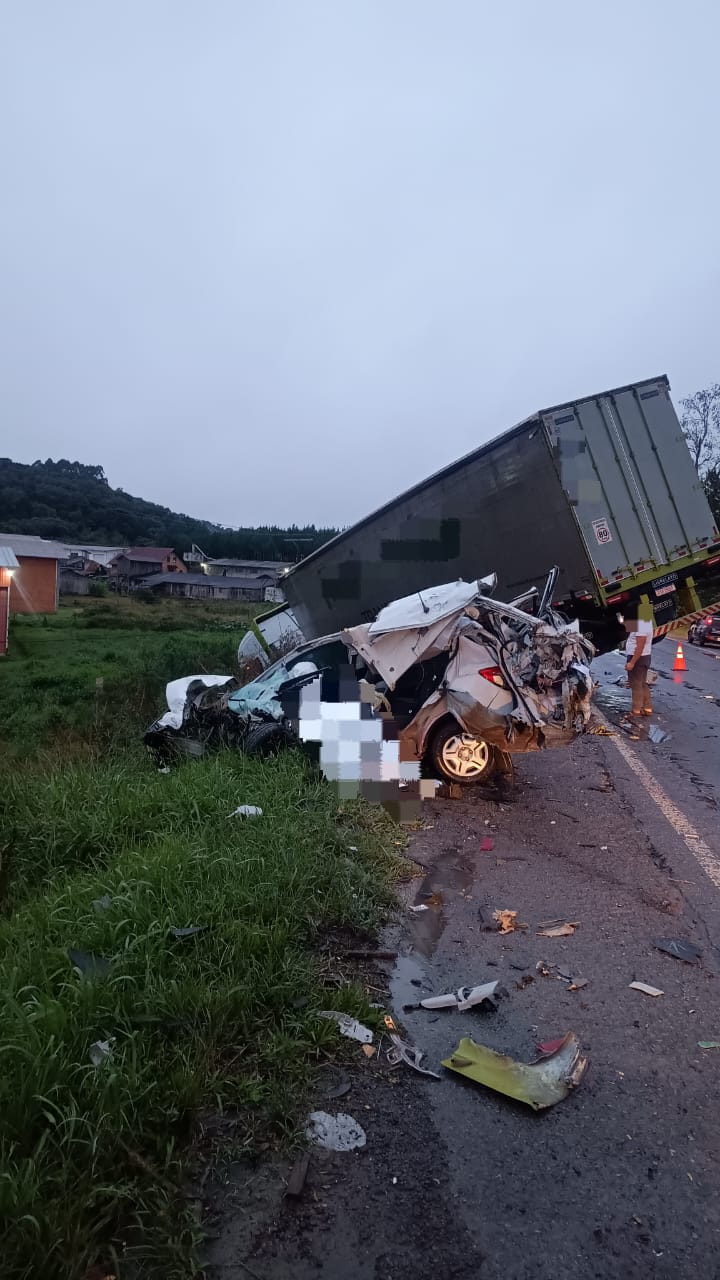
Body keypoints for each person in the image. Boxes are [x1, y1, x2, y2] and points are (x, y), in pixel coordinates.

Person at [621, 602, 654, 717]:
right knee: (643, 683)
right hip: (645, 657)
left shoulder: (641, 626)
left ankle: (636, 710)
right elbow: (627, 626)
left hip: (638, 658)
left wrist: (632, 662)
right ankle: (647, 708)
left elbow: (640, 646)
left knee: (636, 685)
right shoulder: (646, 623)